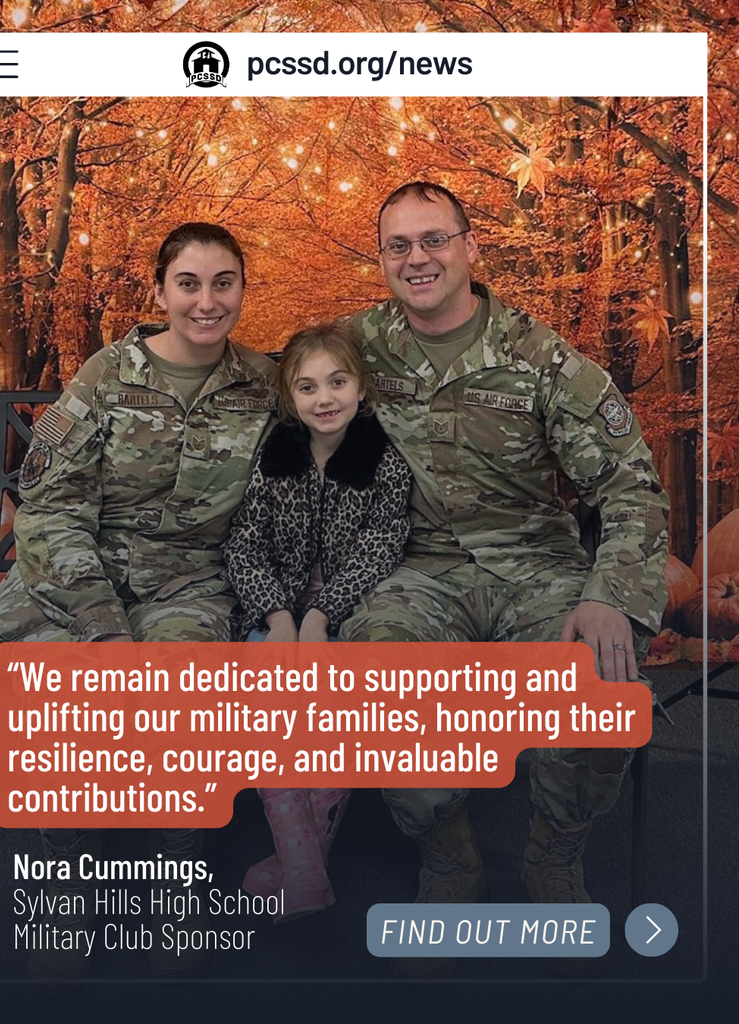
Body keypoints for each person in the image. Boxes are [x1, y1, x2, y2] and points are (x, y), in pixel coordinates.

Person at [342, 182, 669, 978]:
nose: (417, 258)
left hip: (535, 566)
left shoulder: (541, 357)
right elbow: (238, 392)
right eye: (398, 246)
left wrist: (607, 595)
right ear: (381, 259)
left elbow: (629, 484)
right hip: (414, 571)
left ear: (469, 247)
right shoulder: (351, 349)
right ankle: (448, 858)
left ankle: (553, 856)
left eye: (433, 239)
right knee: (376, 676)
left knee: (600, 684)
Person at [0, 222, 277, 981]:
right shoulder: (106, 377)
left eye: (222, 283)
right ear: (159, 290)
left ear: (243, 288)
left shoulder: (264, 386)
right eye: (188, 284)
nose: (205, 302)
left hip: (189, 582)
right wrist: (106, 632)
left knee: (185, 681)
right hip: (77, 578)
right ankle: (68, 878)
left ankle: (176, 879)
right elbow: (47, 511)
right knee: (62, 687)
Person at [224, 322, 412, 923]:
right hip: (273, 610)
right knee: (267, 699)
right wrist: (280, 616)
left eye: (337, 381)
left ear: (361, 388)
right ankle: (305, 866)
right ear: (290, 397)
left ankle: (300, 868)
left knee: (339, 703)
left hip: (351, 609)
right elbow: (243, 545)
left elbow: (383, 545)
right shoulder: (275, 455)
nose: (323, 398)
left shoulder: (382, 457)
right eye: (307, 387)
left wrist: (323, 615)